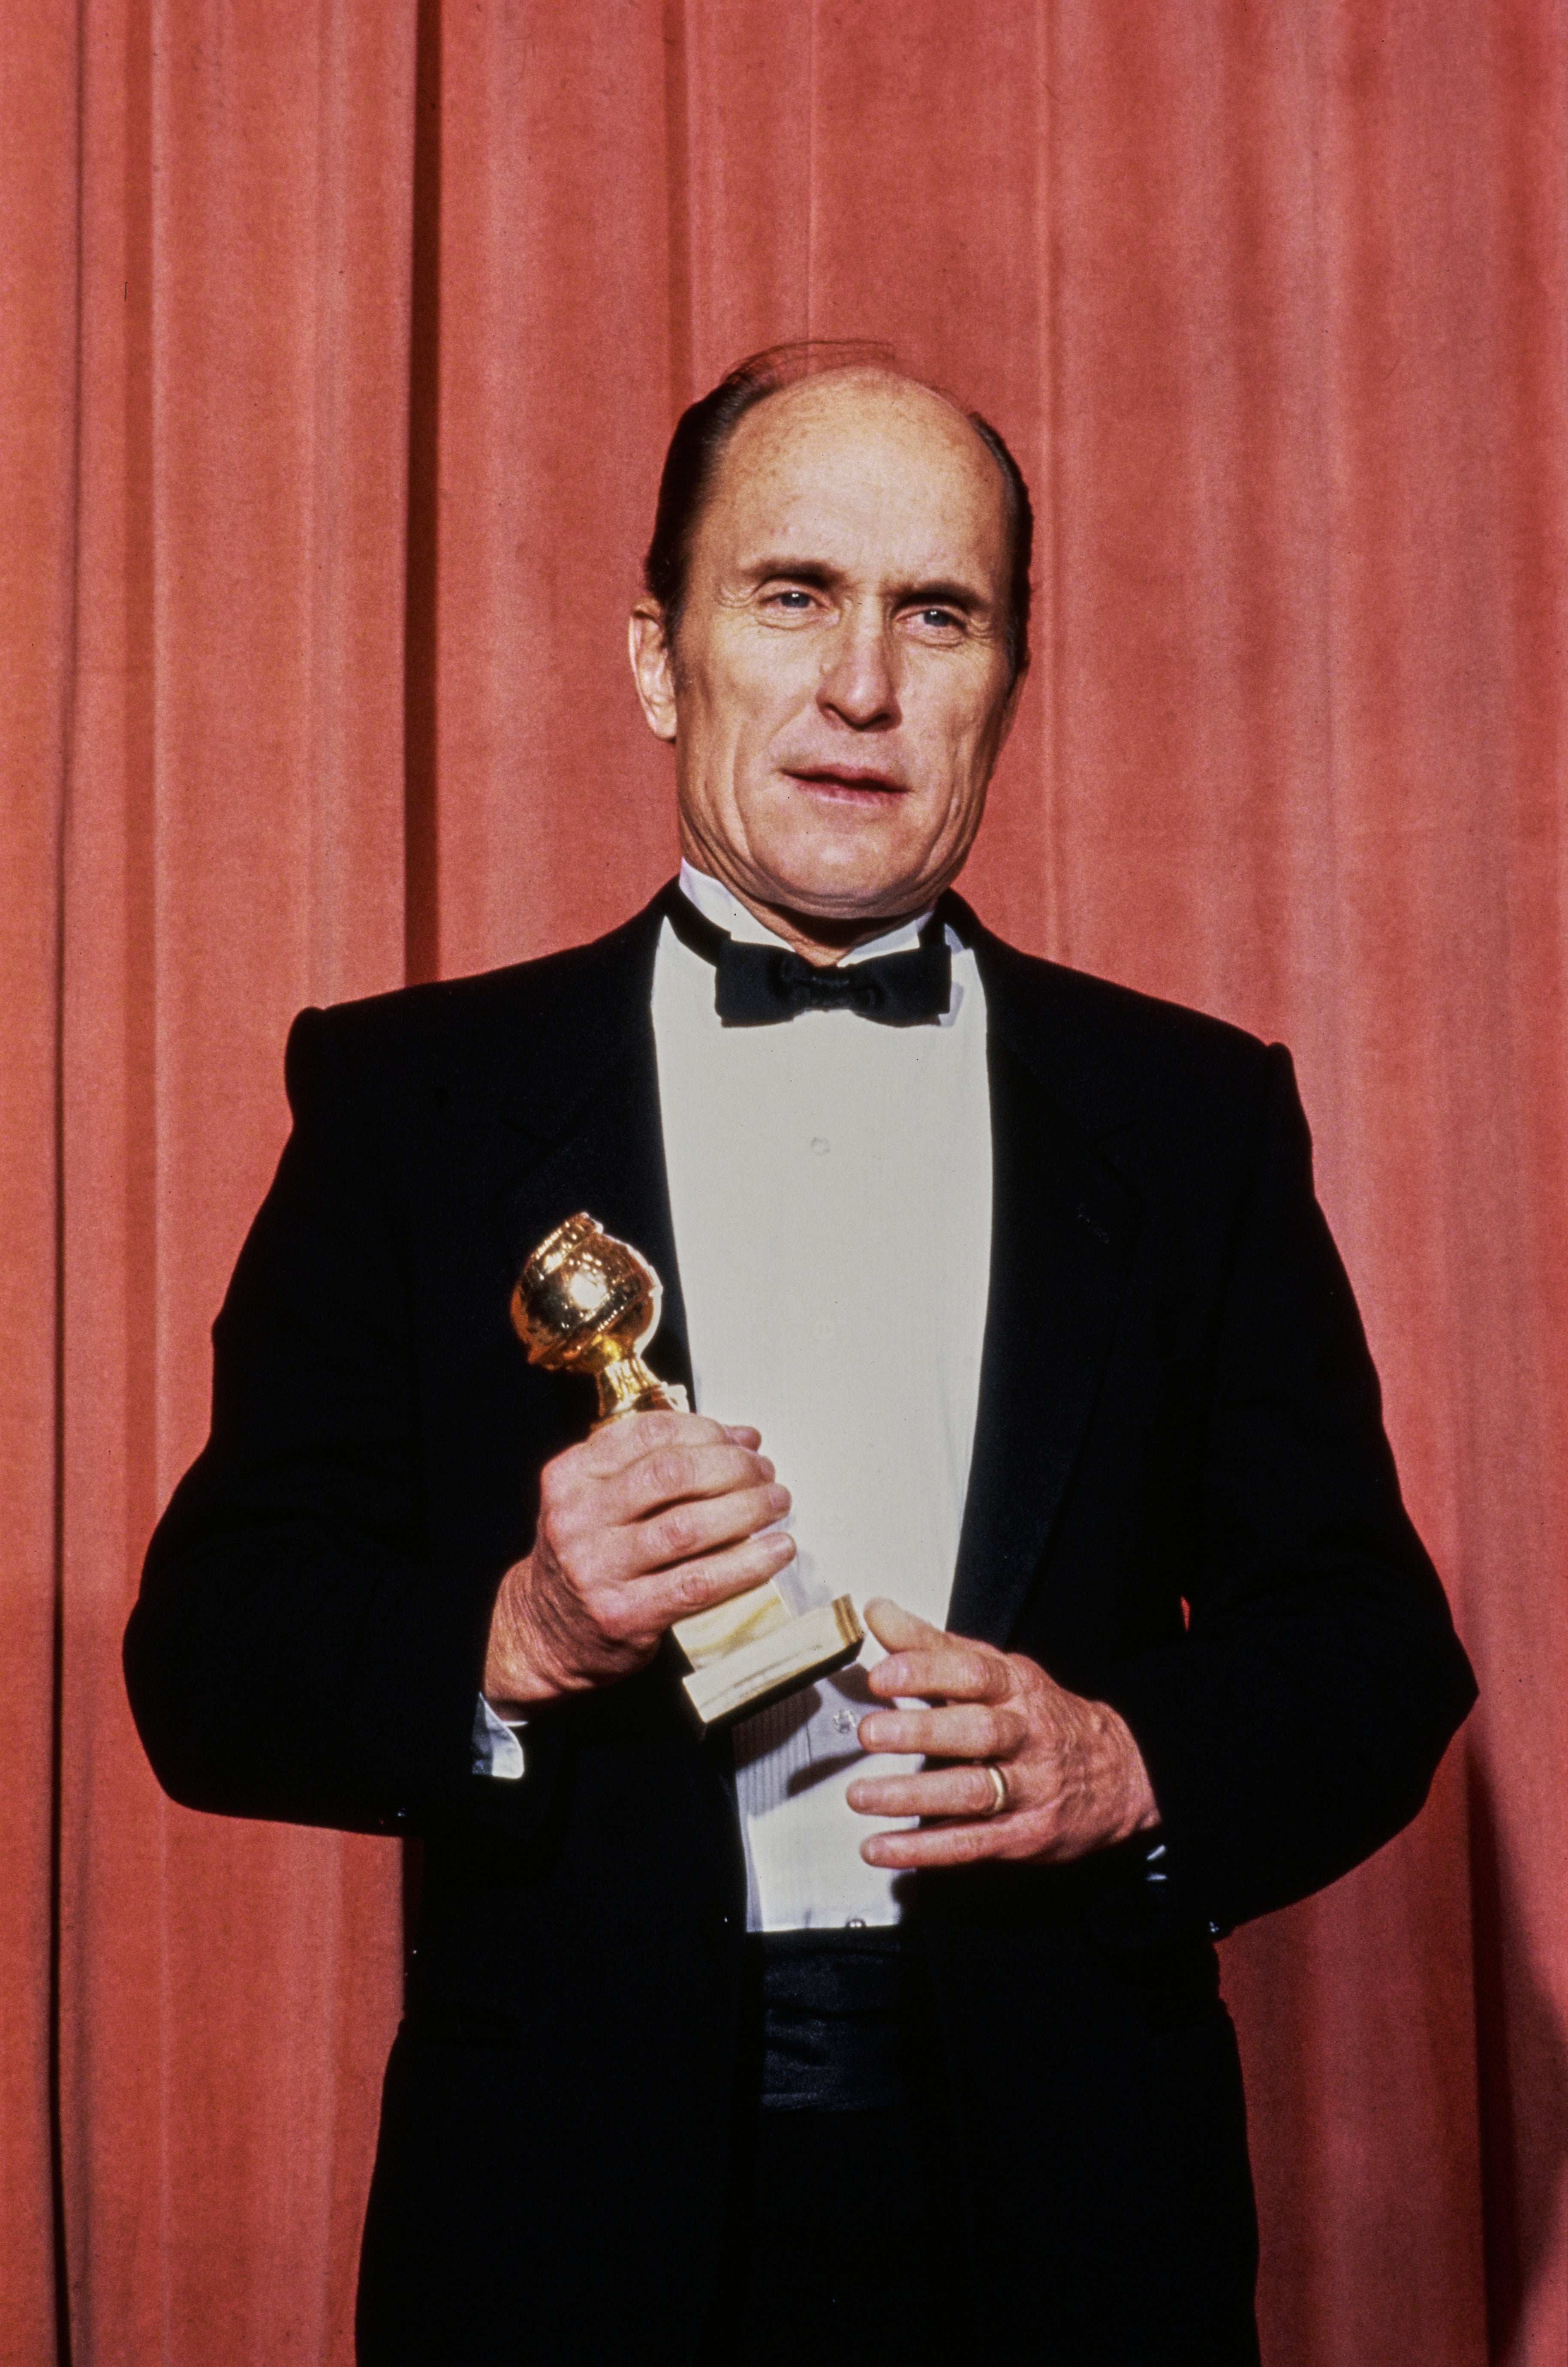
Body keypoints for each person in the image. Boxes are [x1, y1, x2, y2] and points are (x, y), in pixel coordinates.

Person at [124, 346, 1476, 2366]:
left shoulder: (1191, 1119)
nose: (864, 686)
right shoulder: (412, 1104)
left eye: (939, 614)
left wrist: (1132, 1764)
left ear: (1010, 679)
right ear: (661, 659)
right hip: (566, 2211)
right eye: (793, 596)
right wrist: (515, 1635)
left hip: (1075, 2202)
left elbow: (1373, 1647)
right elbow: (212, 1657)